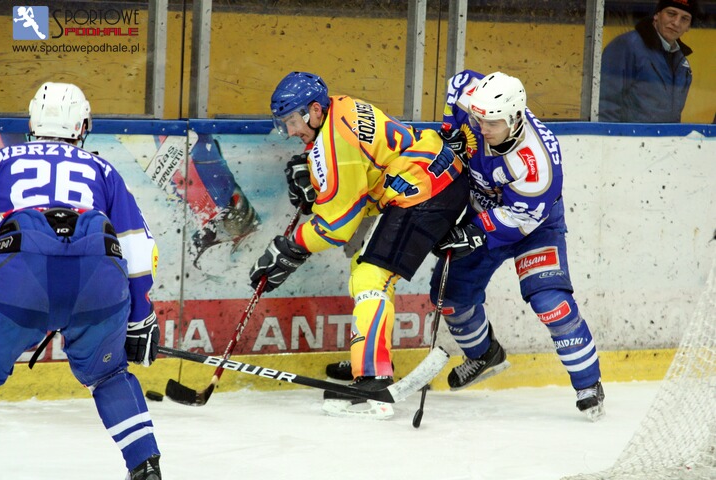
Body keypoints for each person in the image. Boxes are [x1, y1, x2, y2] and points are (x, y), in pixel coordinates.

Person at [249, 71, 469, 419]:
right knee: (365, 269)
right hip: (431, 174)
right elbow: (361, 172)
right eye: (285, 124)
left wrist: (291, 247)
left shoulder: (336, 145)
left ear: (314, 110)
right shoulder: (341, 106)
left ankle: (372, 379)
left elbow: (338, 226)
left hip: (424, 190)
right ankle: (368, 358)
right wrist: (315, 179)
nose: (290, 131)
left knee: (371, 277)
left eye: (292, 121)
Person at [0, 82, 163, 480]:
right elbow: (136, 247)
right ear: (83, 125)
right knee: (109, 375)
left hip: (20, 280)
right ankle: (146, 469)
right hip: (97, 282)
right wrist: (140, 317)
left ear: (32, 123)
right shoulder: (103, 170)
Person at [432, 70, 605, 421]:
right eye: (479, 119)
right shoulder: (477, 106)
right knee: (449, 296)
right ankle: (484, 355)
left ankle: (588, 384)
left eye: (492, 123)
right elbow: (458, 82)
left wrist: (474, 231)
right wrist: (450, 129)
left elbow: (520, 219)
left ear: (514, 119)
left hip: (535, 226)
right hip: (485, 209)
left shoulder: (537, 165)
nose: (482, 128)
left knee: (551, 303)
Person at [599, 0, 699, 123]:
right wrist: (613, 135)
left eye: (684, 19)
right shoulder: (626, 46)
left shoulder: (681, 62)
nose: (676, 23)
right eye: (671, 14)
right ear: (656, 15)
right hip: (627, 134)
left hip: (664, 136)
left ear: (688, 27)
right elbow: (605, 104)